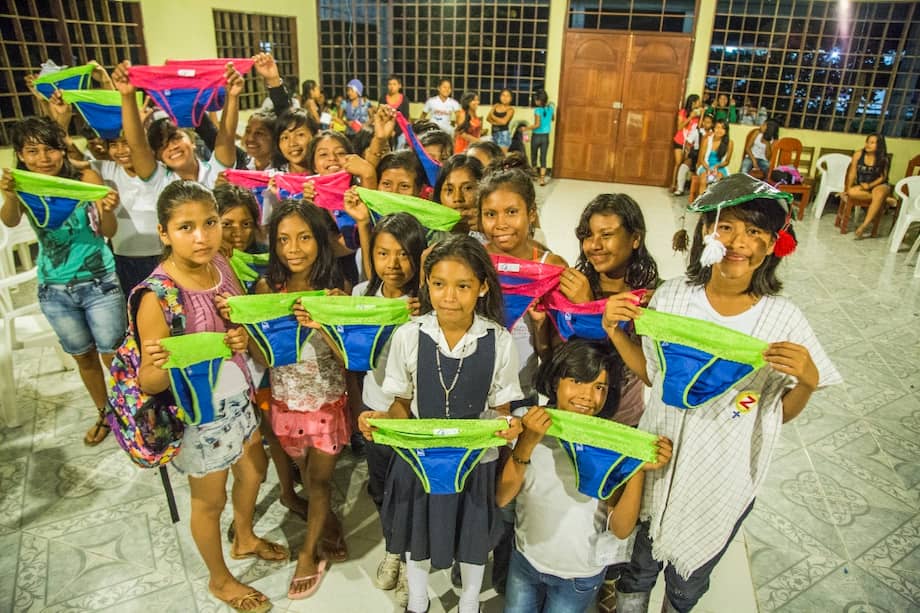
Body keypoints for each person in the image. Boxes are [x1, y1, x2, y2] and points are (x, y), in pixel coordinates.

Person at [605, 174, 841, 612]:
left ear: (772, 246)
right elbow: (657, 379)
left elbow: (778, 414)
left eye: (754, 232)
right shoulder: (673, 298)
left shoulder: (781, 320)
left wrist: (807, 379)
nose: (737, 242)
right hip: (658, 456)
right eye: (726, 226)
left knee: (686, 584)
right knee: (637, 568)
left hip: (720, 475)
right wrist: (617, 334)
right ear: (704, 233)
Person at [137, 181, 286, 612]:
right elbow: (149, 381)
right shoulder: (158, 296)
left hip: (237, 395)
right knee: (209, 500)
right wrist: (166, 363)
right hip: (199, 415)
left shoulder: (222, 264)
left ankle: (243, 536)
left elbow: (237, 323)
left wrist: (238, 334)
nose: (201, 236)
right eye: (186, 227)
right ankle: (220, 581)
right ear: (164, 233)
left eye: (209, 223)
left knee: (254, 470)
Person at [358, 234, 524, 613]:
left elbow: (501, 410)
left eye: (463, 286)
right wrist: (379, 421)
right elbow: (401, 406)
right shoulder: (409, 336)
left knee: (471, 534)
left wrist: (507, 428)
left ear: (482, 287)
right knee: (419, 530)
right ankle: (418, 598)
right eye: (439, 284)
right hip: (419, 458)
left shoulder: (498, 341)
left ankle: (468, 601)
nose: (450, 296)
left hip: (474, 463)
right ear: (427, 284)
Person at [499, 340, 673, 613]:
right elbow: (502, 497)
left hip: (580, 574)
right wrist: (527, 442)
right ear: (556, 380)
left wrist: (635, 465)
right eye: (577, 381)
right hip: (526, 559)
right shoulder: (528, 421)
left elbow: (621, 528)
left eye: (599, 387)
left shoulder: (611, 443)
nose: (588, 396)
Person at [1, 116, 124, 446]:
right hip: (54, 290)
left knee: (115, 355)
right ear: (21, 155)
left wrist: (108, 209)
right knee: (83, 356)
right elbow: (10, 221)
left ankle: (130, 411)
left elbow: (109, 232)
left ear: (62, 150)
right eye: (32, 151)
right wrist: (10, 194)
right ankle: (104, 413)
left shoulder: (86, 178)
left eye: (51, 149)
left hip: (100, 283)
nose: (43, 158)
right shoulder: (25, 185)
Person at [252, 199, 350, 599]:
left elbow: (349, 357)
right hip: (285, 401)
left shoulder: (336, 289)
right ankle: (321, 520)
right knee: (306, 473)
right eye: (283, 239)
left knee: (322, 480)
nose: (293, 248)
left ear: (320, 241)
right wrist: (251, 331)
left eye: (304, 238)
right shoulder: (265, 288)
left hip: (326, 402)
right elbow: (260, 358)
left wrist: (323, 324)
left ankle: (308, 554)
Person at [340, 208, 426, 607]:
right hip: (376, 413)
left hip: (418, 418)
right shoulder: (361, 296)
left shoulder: (427, 300)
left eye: (404, 255)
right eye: (383, 254)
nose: (393, 264)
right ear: (371, 256)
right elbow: (352, 360)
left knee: (413, 491)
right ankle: (394, 546)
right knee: (380, 487)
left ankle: (411, 561)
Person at [111, 60, 241, 188]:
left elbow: (226, 137)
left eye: (175, 138)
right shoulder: (159, 181)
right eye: (162, 146)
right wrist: (127, 95)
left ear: (192, 140)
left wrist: (232, 96)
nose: (172, 147)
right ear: (157, 156)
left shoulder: (216, 171)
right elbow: (137, 146)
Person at [847, 133, 891, 239]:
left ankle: (864, 226)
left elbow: (883, 177)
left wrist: (870, 185)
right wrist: (847, 188)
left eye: (872, 143)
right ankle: (884, 200)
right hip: (863, 187)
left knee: (879, 193)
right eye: (867, 142)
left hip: (879, 185)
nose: (868, 145)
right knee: (852, 192)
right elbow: (852, 173)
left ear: (879, 145)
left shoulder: (884, 159)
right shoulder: (858, 154)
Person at [434, 154, 485, 236]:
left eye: (467, 188)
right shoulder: (428, 237)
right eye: (449, 190)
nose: (458, 198)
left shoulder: (495, 233)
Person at [673, 114, 713, 196]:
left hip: (708, 156)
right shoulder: (697, 131)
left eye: (709, 122)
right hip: (696, 153)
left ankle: (706, 192)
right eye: (705, 122)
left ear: (712, 124)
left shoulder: (713, 134)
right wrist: (687, 153)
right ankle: (680, 189)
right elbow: (688, 143)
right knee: (683, 167)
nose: (706, 124)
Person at [671, 95, 702, 193]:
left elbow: (699, 128)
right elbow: (679, 127)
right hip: (680, 140)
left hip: (690, 144)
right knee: (678, 162)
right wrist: (690, 117)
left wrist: (701, 115)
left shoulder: (698, 114)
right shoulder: (683, 112)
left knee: (685, 164)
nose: (699, 103)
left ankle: (681, 186)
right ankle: (673, 184)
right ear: (693, 102)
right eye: (698, 101)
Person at [525, 90, 554, 186]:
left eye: (535, 100)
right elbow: (552, 119)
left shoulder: (537, 110)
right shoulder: (550, 108)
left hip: (536, 136)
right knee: (543, 158)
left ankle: (534, 176)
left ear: (538, 100)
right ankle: (542, 180)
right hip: (545, 137)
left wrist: (526, 128)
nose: (535, 101)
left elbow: (537, 125)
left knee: (534, 156)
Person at [696, 119, 733, 185]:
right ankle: (702, 195)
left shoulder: (729, 143)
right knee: (703, 180)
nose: (719, 130)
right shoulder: (707, 140)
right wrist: (708, 169)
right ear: (714, 128)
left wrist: (716, 167)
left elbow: (727, 161)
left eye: (723, 128)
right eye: (717, 127)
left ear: (726, 131)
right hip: (706, 166)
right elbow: (701, 159)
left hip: (720, 167)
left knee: (717, 181)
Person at [382, 76, 411, 148]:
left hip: (401, 130)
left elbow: (405, 118)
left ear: (399, 86)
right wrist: (388, 130)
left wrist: (396, 131)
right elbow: (381, 116)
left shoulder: (404, 100)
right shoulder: (383, 98)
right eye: (390, 84)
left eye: (394, 84)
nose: (391, 86)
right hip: (386, 130)